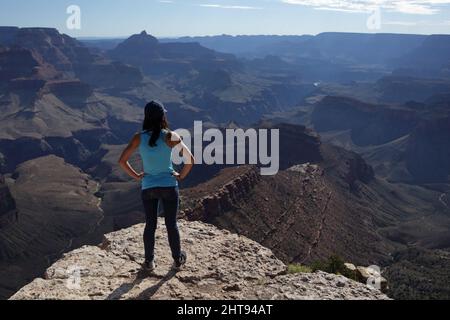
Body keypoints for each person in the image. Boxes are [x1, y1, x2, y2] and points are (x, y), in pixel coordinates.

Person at [118, 100, 195, 272]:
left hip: (148, 187)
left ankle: (149, 262)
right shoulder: (170, 136)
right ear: (162, 116)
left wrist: (137, 175)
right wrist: (180, 175)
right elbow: (190, 159)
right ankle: (177, 260)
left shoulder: (139, 138)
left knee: (150, 225)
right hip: (169, 185)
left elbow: (122, 161)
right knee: (171, 224)